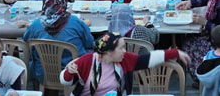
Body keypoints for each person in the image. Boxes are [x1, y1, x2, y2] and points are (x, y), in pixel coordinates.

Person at [59, 31, 190, 95]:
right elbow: (65, 82)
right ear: (108, 52)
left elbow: (147, 59)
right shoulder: (87, 61)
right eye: (121, 48)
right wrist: (69, 72)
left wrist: (175, 53)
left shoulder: (124, 59)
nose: (125, 51)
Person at [22, 0, 94, 82]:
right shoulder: (75, 22)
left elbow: (26, 41)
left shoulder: (35, 25)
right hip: (73, 73)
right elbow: (89, 42)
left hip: (42, 73)